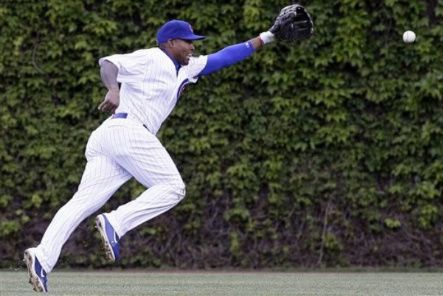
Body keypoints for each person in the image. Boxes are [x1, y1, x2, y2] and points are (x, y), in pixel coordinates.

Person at [23, 19, 277, 293]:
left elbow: (226, 55)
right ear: (170, 43)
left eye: (193, 41)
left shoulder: (188, 67)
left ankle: (42, 257)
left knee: (81, 204)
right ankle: (115, 222)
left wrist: (270, 35)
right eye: (187, 41)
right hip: (128, 130)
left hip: (112, 137)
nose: (192, 46)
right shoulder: (152, 58)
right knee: (173, 188)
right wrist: (113, 88)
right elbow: (108, 63)